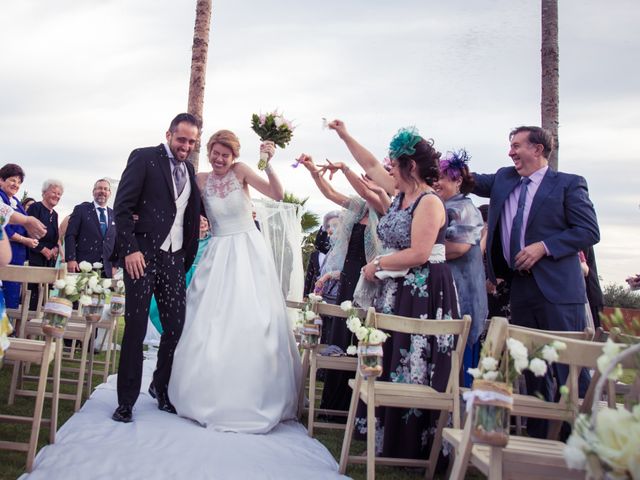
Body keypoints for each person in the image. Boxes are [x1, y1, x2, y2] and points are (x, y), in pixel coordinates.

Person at [168, 129, 301, 433]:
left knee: (250, 316)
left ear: (234, 156)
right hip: (217, 250)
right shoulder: (199, 179)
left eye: (225, 155)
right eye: (215, 153)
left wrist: (268, 163)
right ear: (210, 151)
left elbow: (277, 195)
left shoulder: (241, 172)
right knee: (209, 319)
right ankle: (201, 389)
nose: (219, 159)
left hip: (247, 250)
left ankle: (252, 392)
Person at [473, 125, 600, 437]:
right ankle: (538, 439)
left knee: (566, 367)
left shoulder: (569, 184)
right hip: (521, 288)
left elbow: (589, 231)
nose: (510, 152)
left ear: (538, 149)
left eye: (516, 145)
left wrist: (545, 247)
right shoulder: (505, 179)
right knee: (529, 365)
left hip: (558, 291)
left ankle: (575, 442)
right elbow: (470, 180)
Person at [347, 125, 459, 461]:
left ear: (410, 166)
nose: (389, 169)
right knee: (393, 356)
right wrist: (343, 135)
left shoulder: (428, 202)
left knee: (414, 360)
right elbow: (369, 164)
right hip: (395, 288)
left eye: (394, 164)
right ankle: (389, 437)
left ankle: (415, 444)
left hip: (423, 290)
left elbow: (419, 253)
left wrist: (376, 263)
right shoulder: (400, 196)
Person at [111, 113, 202, 423]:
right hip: (142, 257)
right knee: (135, 329)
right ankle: (125, 402)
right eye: (182, 139)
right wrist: (130, 250)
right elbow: (122, 208)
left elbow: (187, 213)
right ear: (169, 134)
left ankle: (160, 388)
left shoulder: (190, 170)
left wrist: (185, 255)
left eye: (191, 141)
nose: (186, 146)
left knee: (175, 328)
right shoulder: (144, 158)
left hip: (174, 259)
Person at [298, 155, 385, 417]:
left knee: (360, 338)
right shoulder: (356, 208)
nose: (364, 182)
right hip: (348, 277)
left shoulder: (383, 208)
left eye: (369, 179)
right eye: (364, 178)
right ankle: (331, 405)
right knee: (340, 337)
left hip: (370, 282)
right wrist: (314, 171)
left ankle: (354, 406)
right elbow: (330, 192)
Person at [434, 150, 488, 387]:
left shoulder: (463, 208)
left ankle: (458, 418)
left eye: (442, 178)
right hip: (446, 299)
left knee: (458, 370)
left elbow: (458, 248)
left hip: (462, 301)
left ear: (457, 180)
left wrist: (420, 249)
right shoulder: (441, 206)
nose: (436, 183)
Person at [148, 215, 212, 334]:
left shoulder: (212, 241)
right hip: (185, 275)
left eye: (205, 220)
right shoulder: (187, 239)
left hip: (202, 277)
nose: (203, 223)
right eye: (199, 220)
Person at [0, 164, 39, 308]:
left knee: (12, 298)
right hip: (4, 255)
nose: (16, 184)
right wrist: (25, 240)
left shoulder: (16, 201)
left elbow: (25, 224)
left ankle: (8, 329)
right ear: (1, 180)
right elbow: (5, 228)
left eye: (19, 182)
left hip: (17, 256)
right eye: (12, 180)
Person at [65, 179, 117, 278]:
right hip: (84, 266)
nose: (102, 191)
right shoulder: (81, 210)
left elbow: (117, 241)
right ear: (93, 192)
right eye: (99, 188)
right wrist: (71, 259)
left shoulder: (114, 214)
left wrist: (115, 265)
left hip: (107, 269)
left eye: (106, 189)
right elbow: (70, 235)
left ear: (109, 193)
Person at [27, 179, 63, 310]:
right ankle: (25, 326)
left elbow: (55, 238)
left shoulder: (56, 214)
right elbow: (29, 232)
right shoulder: (35, 208)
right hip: (34, 256)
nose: (57, 196)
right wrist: (43, 249)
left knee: (44, 296)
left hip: (48, 261)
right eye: (54, 192)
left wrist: (54, 249)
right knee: (32, 295)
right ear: (44, 192)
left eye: (59, 194)